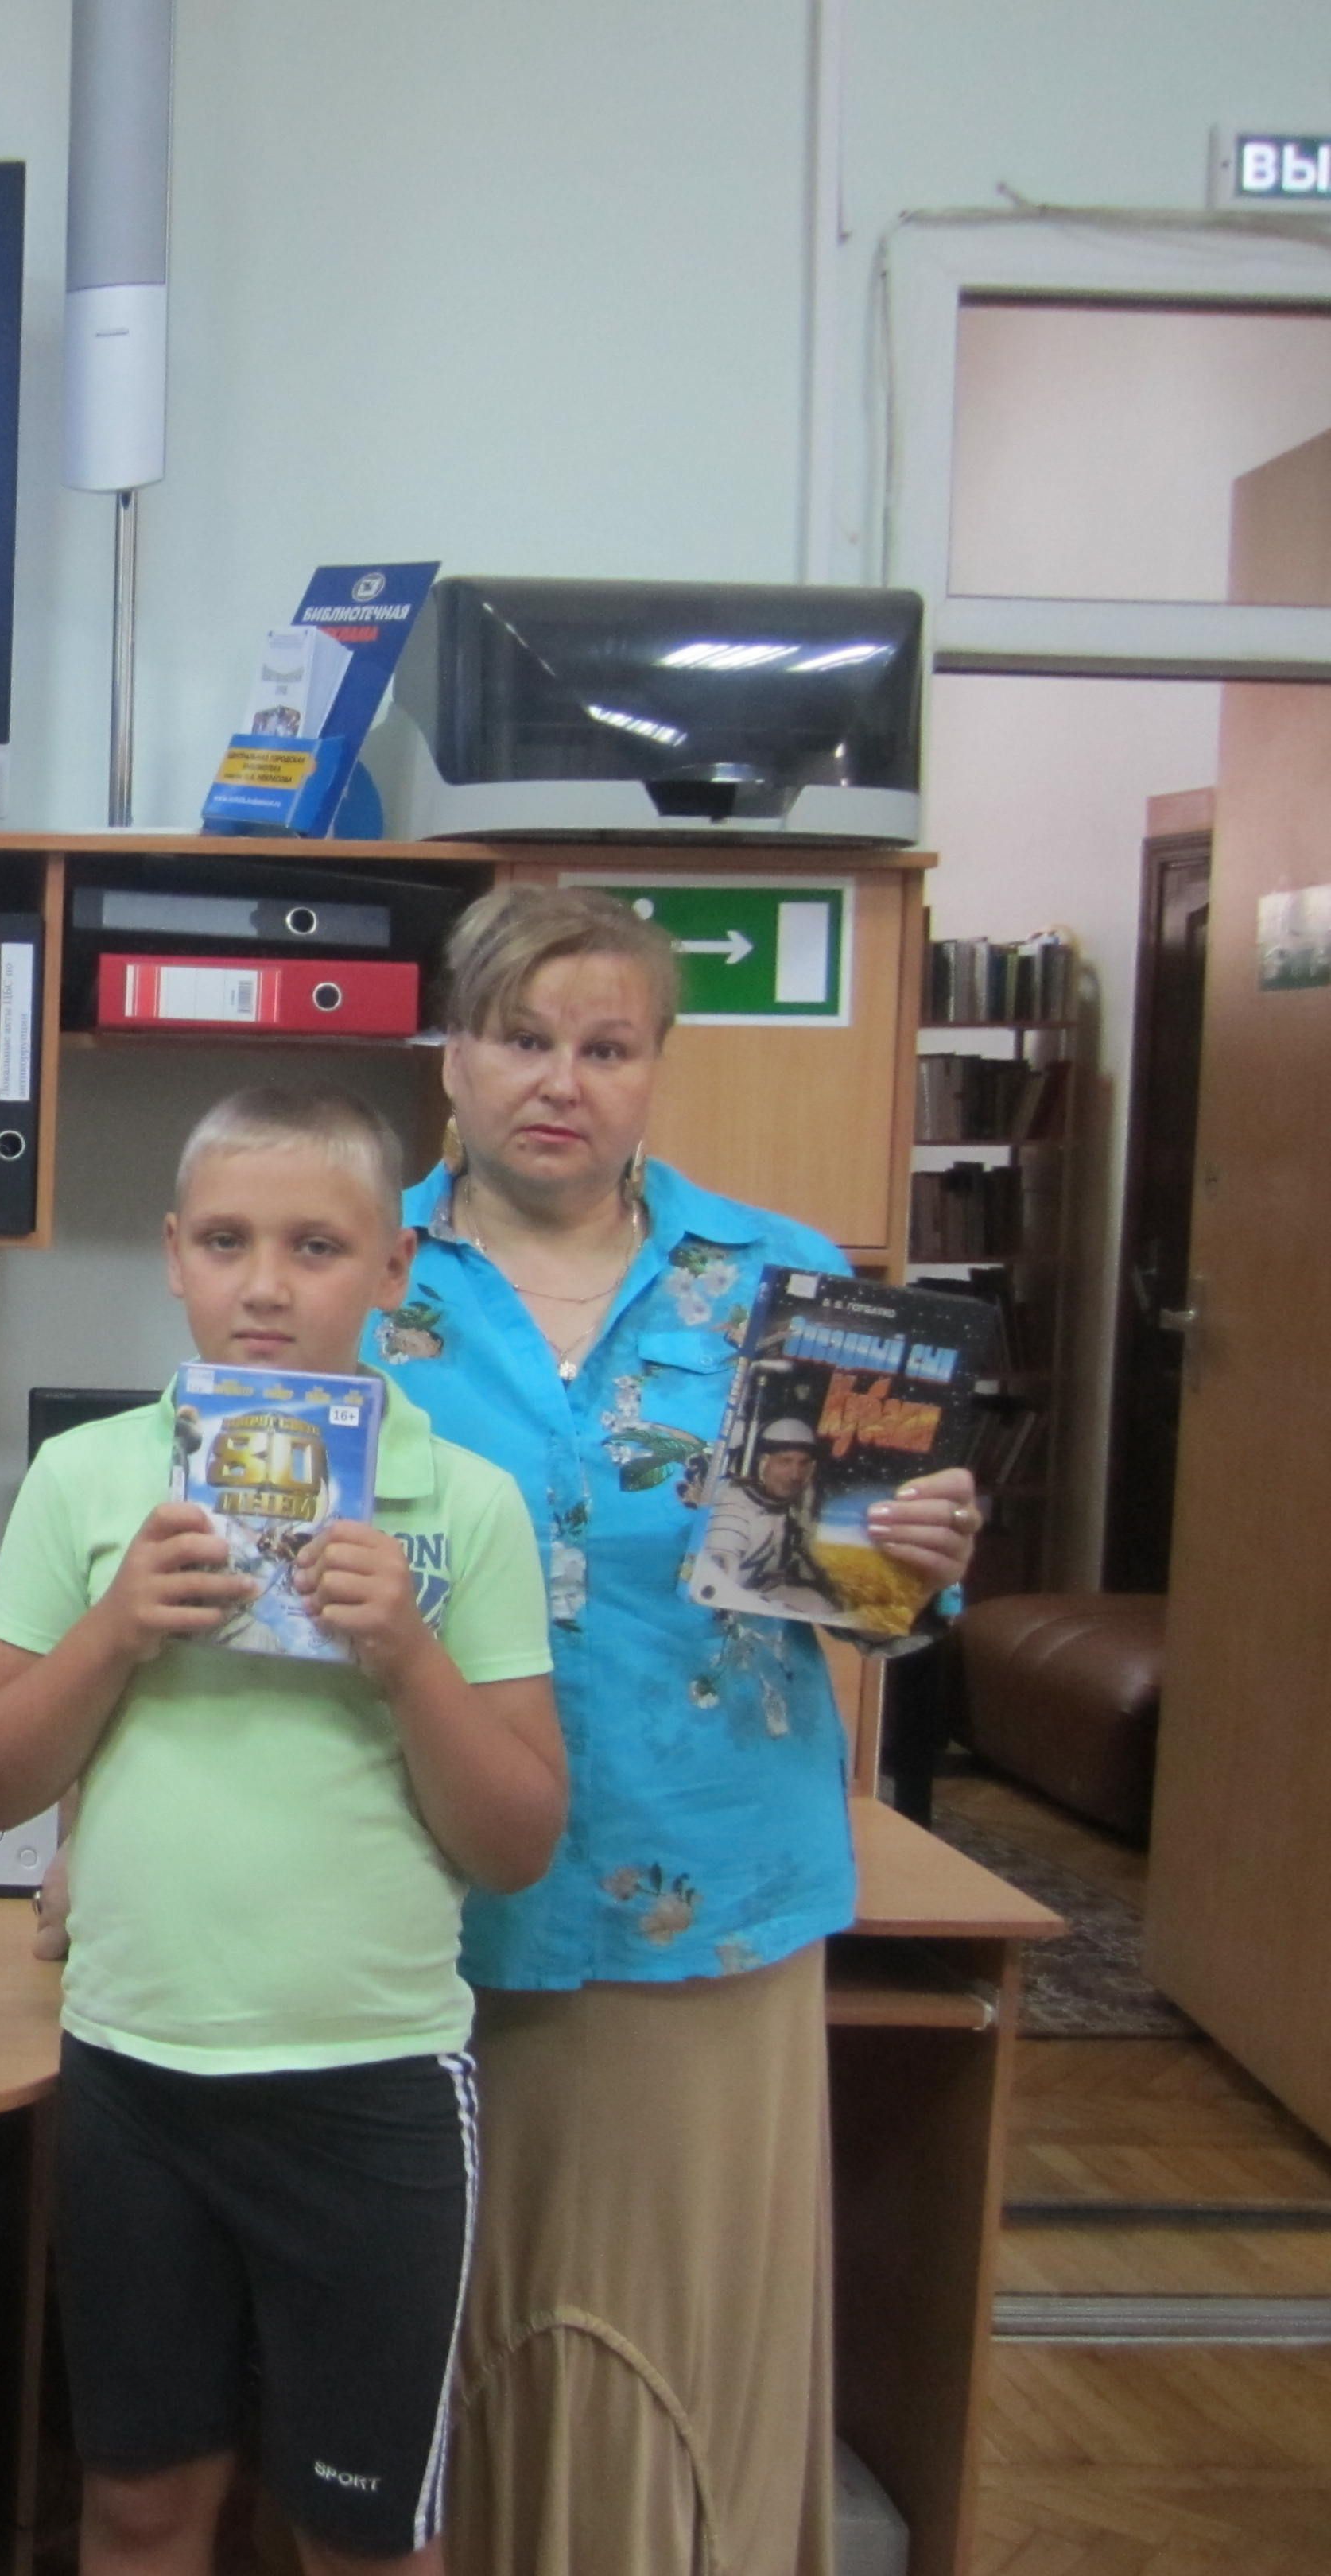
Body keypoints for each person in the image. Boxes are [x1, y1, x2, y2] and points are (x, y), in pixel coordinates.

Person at [364, 884, 979, 2576]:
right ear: (452, 1054)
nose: (562, 1082)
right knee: (427, 2351)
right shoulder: (360, 1274)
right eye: (522, 1038)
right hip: (421, 1905)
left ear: (656, 1069)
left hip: (702, 1906)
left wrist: (914, 1565)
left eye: (608, 1048)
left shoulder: (782, 1282)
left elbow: (865, 1600)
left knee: (682, 2346)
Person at [0, 1085, 564, 2576]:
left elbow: (517, 1841)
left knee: (360, 2533)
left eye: (317, 1246)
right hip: (137, 2075)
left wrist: (407, 1655)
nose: (267, 1286)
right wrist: (115, 1628)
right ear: (174, 1254)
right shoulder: (91, 1479)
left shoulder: (467, 1505)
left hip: (374, 2087)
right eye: (226, 1242)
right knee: (141, 2508)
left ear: (393, 1269)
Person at [691, 1416, 837, 1616]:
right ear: (762, 1463)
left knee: (820, 1607)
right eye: (785, 1462)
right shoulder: (733, 1507)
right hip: (718, 1610)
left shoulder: (791, 1512)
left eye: (803, 1464)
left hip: (760, 1595)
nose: (795, 1475)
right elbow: (715, 1587)